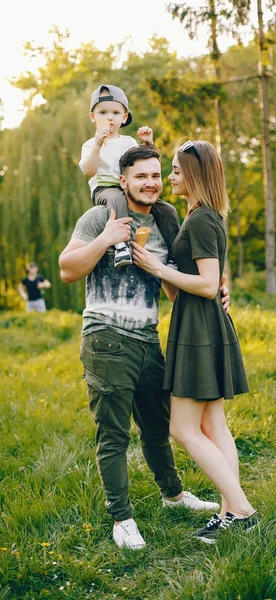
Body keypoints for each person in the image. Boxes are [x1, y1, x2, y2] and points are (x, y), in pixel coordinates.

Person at [59, 144, 230, 551]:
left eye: (157, 175)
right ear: (123, 181)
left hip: (148, 339)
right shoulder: (102, 215)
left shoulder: (168, 221)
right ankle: (122, 519)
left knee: (159, 426)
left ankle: (173, 496)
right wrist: (105, 239)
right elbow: (67, 269)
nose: (151, 183)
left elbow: (173, 283)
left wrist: (214, 292)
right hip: (105, 338)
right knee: (113, 434)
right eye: (141, 177)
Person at [132, 140, 257, 544]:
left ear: (195, 175)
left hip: (200, 330)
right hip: (202, 324)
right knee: (213, 423)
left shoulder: (202, 219)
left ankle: (241, 509)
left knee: (183, 429)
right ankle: (229, 510)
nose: (169, 177)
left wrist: (153, 264)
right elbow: (206, 280)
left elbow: (206, 284)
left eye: (174, 170)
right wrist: (164, 272)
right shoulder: (205, 215)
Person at [79, 83, 153, 267]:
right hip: (105, 189)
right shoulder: (90, 144)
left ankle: (173, 251)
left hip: (128, 188)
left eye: (115, 113)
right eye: (102, 113)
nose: (109, 118)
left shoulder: (128, 142)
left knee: (162, 207)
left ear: (124, 117)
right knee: (118, 198)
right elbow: (89, 171)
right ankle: (120, 246)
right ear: (93, 117)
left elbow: (142, 165)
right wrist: (97, 145)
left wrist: (148, 145)